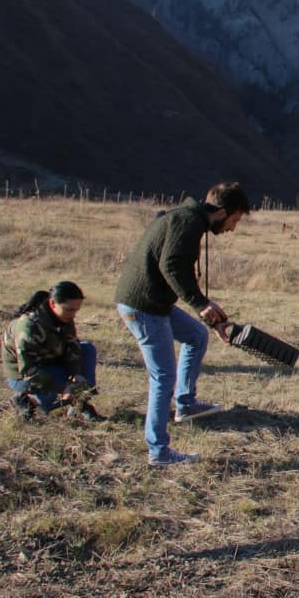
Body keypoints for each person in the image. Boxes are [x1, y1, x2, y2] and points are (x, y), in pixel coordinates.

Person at [115, 182, 250, 467]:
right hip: (143, 306)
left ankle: (185, 404)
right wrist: (201, 304)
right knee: (163, 377)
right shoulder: (186, 222)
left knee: (196, 336)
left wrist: (215, 321)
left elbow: (173, 268)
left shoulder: (187, 218)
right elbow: (172, 266)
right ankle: (159, 451)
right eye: (234, 220)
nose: (232, 228)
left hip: (155, 303)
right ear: (223, 212)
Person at [2, 281, 103, 422]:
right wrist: (63, 388)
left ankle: (79, 403)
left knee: (87, 349)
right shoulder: (28, 327)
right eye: (69, 310)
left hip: (51, 361)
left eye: (76, 310)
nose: (73, 315)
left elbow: (73, 346)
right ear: (52, 304)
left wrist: (76, 374)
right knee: (58, 378)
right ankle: (27, 401)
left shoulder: (64, 317)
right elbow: (28, 371)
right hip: (24, 375)